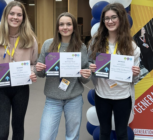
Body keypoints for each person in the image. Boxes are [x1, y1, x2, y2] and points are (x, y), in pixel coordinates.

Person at [0, 1, 38, 140]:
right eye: (12, 13)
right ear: (6, 16)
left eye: (19, 15)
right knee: (2, 133)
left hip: (21, 88)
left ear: (23, 18)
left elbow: (34, 63)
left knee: (18, 127)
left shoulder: (30, 39)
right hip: (1, 88)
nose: (15, 17)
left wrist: (32, 72)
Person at [88, 3, 140, 140]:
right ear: (103, 21)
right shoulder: (96, 42)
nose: (110, 21)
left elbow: (133, 80)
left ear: (121, 19)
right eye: (106, 18)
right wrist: (91, 68)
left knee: (122, 133)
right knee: (104, 133)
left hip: (122, 97)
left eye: (113, 17)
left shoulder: (132, 46)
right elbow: (89, 63)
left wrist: (135, 74)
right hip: (102, 95)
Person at [35, 12, 91, 140]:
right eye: (61, 24)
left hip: (74, 98)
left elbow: (84, 78)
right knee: (46, 136)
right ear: (57, 27)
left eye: (68, 24)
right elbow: (41, 73)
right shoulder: (48, 44)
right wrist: (38, 69)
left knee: (72, 136)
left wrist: (86, 74)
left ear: (74, 27)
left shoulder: (81, 47)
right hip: (52, 99)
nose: (65, 27)